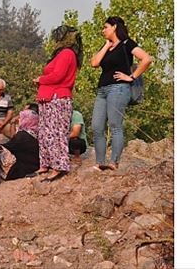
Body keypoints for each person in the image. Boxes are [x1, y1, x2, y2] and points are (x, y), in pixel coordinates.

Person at [90, 16, 152, 170]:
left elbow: (146, 59)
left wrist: (131, 77)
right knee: (97, 126)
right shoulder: (106, 47)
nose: (103, 30)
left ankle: (114, 162)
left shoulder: (127, 43)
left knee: (114, 125)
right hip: (102, 90)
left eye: (105, 27)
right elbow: (94, 63)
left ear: (114, 27)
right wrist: (106, 45)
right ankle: (99, 163)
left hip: (118, 89)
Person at [33, 25, 83, 182]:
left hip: (57, 98)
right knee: (45, 133)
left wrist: (40, 79)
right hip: (49, 98)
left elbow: (58, 76)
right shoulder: (61, 54)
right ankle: (46, 164)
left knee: (55, 133)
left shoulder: (67, 54)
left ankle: (58, 165)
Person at [2, 109, 40, 180]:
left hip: (24, 170)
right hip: (35, 166)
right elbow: (14, 139)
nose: (18, 120)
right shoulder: (35, 133)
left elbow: (8, 146)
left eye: (21, 118)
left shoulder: (23, 136)